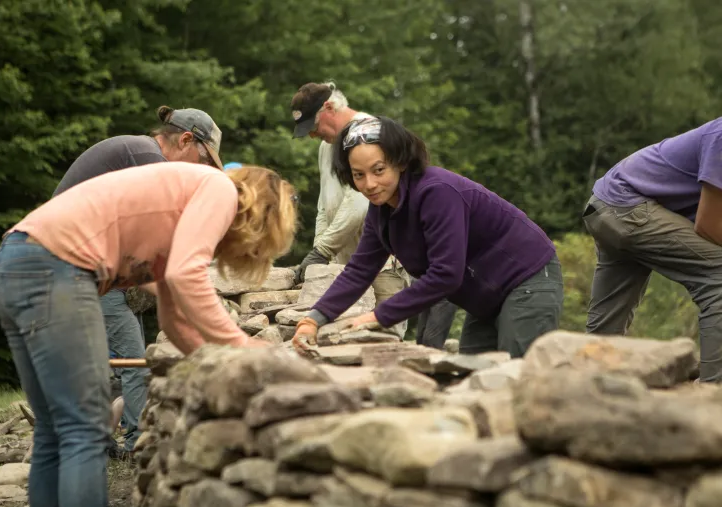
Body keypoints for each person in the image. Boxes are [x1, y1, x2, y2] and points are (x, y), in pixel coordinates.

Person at [0, 162, 296, 507]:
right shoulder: (219, 188)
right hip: (55, 267)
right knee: (85, 431)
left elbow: (173, 319)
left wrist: (216, 361)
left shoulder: (175, 213)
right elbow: (186, 277)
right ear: (261, 214)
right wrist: (241, 347)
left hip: (17, 261)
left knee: (57, 434)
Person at [291, 116, 563, 358]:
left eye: (378, 170)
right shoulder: (381, 210)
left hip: (528, 278)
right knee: (471, 371)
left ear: (400, 162)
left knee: (516, 375)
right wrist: (313, 319)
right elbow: (359, 270)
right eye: (358, 175)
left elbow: (446, 274)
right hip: (486, 296)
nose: (369, 185)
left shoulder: (437, 193)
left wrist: (379, 316)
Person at [52, 105, 223, 459]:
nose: (202, 173)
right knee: (132, 358)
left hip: (74, 269)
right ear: (186, 140)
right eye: (204, 162)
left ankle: (94, 443)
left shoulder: (134, 152)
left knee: (93, 363)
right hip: (78, 270)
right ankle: (134, 441)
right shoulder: (148, 157)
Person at [584, 117, 722, 382]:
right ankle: (714, 393)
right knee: (719, 273)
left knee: (606, 328)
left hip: (607, 205)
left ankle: (584, 390)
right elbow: (707, 224)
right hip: (628, 205)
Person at [290, 82, 410, 339]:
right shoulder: (327, 147)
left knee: (385, 339)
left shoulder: (370, 134)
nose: (313, 136)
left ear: (329, 107)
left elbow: (359, 204)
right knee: (343, 340)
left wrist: (322, 250)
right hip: (346, 266)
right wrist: (319, 255)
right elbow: (325, 202)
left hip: (383, 263)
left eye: (314, 128)